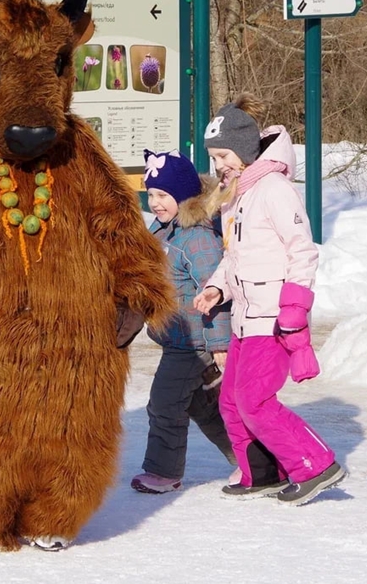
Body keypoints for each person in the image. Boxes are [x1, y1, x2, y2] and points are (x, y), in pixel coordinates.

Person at [194, 94, 346, 506]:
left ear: (243, 150)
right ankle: (261, 473)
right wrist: (216, 287)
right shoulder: (236, 196)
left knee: (255, 400)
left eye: (224, 154)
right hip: (245, 316)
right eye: (215, 156)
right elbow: (234, 255)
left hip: (274, 316)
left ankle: (315, 464)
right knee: (231, 399)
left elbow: (303, 249)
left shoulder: (274, 189)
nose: (219, 164)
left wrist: (294, 307)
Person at [130, 149, 237, 494]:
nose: (156, 202)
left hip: (194, 344)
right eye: (151, 194)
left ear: (183, 195)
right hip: (178, 339)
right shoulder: (165, 232)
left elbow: (215, 293)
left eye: (163, 195)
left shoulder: (197, 238)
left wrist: (221, 344)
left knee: (163, 404)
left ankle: (163, 472)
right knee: (202, 407)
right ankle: (254, 461)